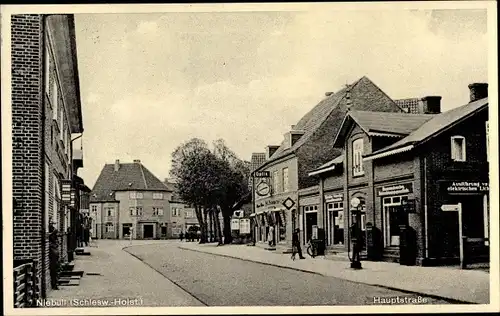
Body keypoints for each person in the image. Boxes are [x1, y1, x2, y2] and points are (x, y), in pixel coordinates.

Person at [48, 223, 60, 289]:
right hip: (54, 258)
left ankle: (55, 283)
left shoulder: (54, 244)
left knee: (55, 270)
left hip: (55, 257)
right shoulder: (52, 245)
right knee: (54, 270)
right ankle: (54, 284)